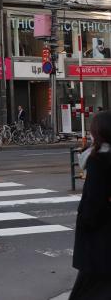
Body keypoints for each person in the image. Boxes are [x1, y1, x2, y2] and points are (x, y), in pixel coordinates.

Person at [70, 110, 111, 299]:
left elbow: (94, 200)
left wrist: (86, 222)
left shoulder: (98, 159)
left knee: (89, 287)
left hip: (99, 235)